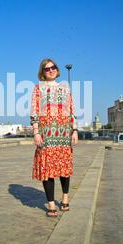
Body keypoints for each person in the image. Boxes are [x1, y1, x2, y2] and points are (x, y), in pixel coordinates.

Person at [30, 58, 78, 217]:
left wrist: (75, 130)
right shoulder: (38, 89)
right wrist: (36, 132)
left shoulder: (65, 88)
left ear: (57, 70)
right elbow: (34, 112)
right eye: (47, 68)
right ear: (42, 72)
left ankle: (65, 197)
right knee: (47, 169)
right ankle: (51, 204)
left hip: (64, 134)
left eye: (53, 67)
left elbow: (72, 110)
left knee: (64, 166)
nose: (51, 70)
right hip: (46, 134)